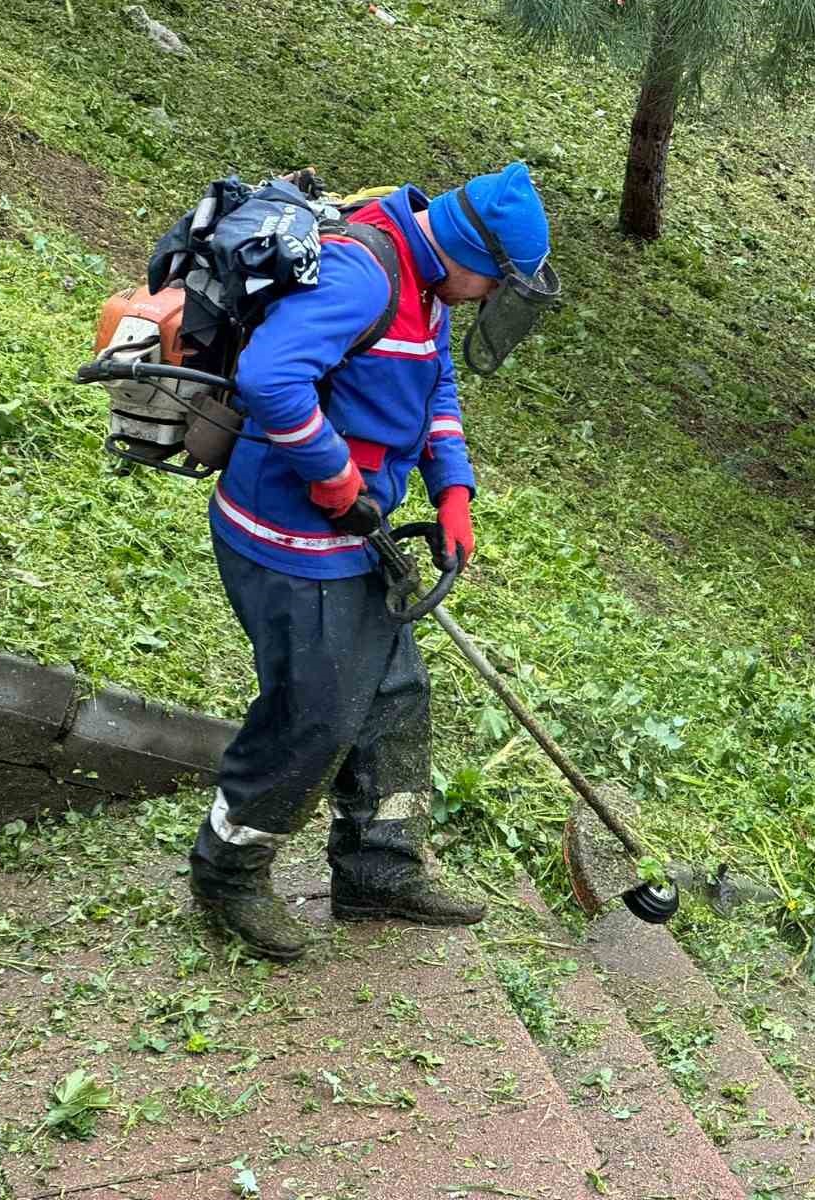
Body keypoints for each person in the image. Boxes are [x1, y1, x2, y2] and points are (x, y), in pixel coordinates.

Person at [188, 163, 554, 961]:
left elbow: (437, 386)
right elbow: (270, 377)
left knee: (393, 695)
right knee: (315, 710)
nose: (490, 299)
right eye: (494, 284)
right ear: (471, 251)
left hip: (355, 536)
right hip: (289, 541)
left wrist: (453, 489)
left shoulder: (427, 286)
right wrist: (334, 475)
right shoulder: (364, 272)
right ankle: (229, 870)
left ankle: (377, 870)